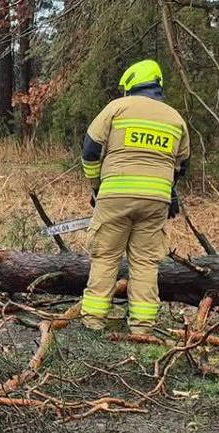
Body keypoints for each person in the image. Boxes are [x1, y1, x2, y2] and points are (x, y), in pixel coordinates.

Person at [77, 59, 189, 332]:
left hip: (115, 195)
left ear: (131, 85)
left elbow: (90, 151)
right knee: (145, 263)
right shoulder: (176, 118)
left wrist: (96, 186)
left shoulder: (117, 108)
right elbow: (182, 163)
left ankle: (93, 323)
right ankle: (142, 328)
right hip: (156, 202)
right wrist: (167, 191)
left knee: (105, 257)